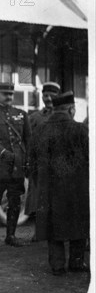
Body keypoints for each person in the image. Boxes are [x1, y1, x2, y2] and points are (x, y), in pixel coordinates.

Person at [28, 92, 89, 275]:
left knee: (52, 226)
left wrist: (40, 182)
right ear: (71, 109)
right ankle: (77, 262)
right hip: (77, 188)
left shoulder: (40, 130)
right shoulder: (80, 130)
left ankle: (57, 265)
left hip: (49, 188)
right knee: (79, 223)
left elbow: (32, 162)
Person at [0, 82, 31, 248]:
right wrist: (2, 152)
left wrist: (27, 161)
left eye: (10, 94)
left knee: (15, 201)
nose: (8, 97)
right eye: (4, 94)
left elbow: (28, 141)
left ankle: (11, 235)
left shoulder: (22, 115)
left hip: (15, 167)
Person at [26, 82, 60, 224]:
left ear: (57, 97)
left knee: (57, 197)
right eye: (45, 95)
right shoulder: (34, 118)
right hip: (39, 164)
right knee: (39, 197)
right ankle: (39, 231)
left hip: (58, 164)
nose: (48, 99)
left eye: (52, 95)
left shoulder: (62, 116)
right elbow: (27, 141)